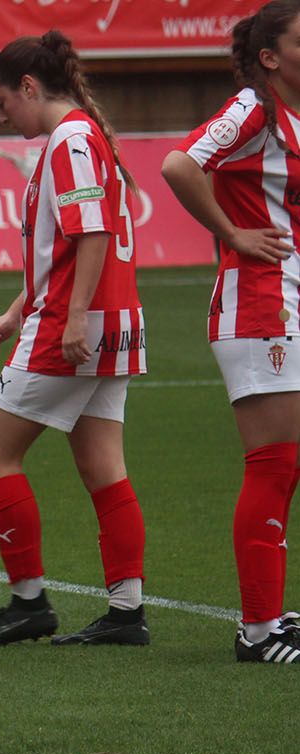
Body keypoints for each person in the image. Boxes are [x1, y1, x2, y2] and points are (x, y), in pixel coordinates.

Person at [0, 31, 149, 647]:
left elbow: (90, 234)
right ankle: (126, 613)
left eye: (2, 102)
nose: (2, 114)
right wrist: (17, 312)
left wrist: (68, 320)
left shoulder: (68, 141)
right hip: (113, 323)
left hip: (76, 327)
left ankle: (28, 602)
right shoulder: (85, 136)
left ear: (30, 87)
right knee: (104, 468)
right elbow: (64, 248)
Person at [161, 0, 300, 664]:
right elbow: (179, 165)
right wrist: (233, 234)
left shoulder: (292, 117)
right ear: (271, 57)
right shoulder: (252, 108)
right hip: (259, 307)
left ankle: (273, 614)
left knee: (286, 466)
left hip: (288, 304)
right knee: (274, 465)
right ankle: (258, 632)